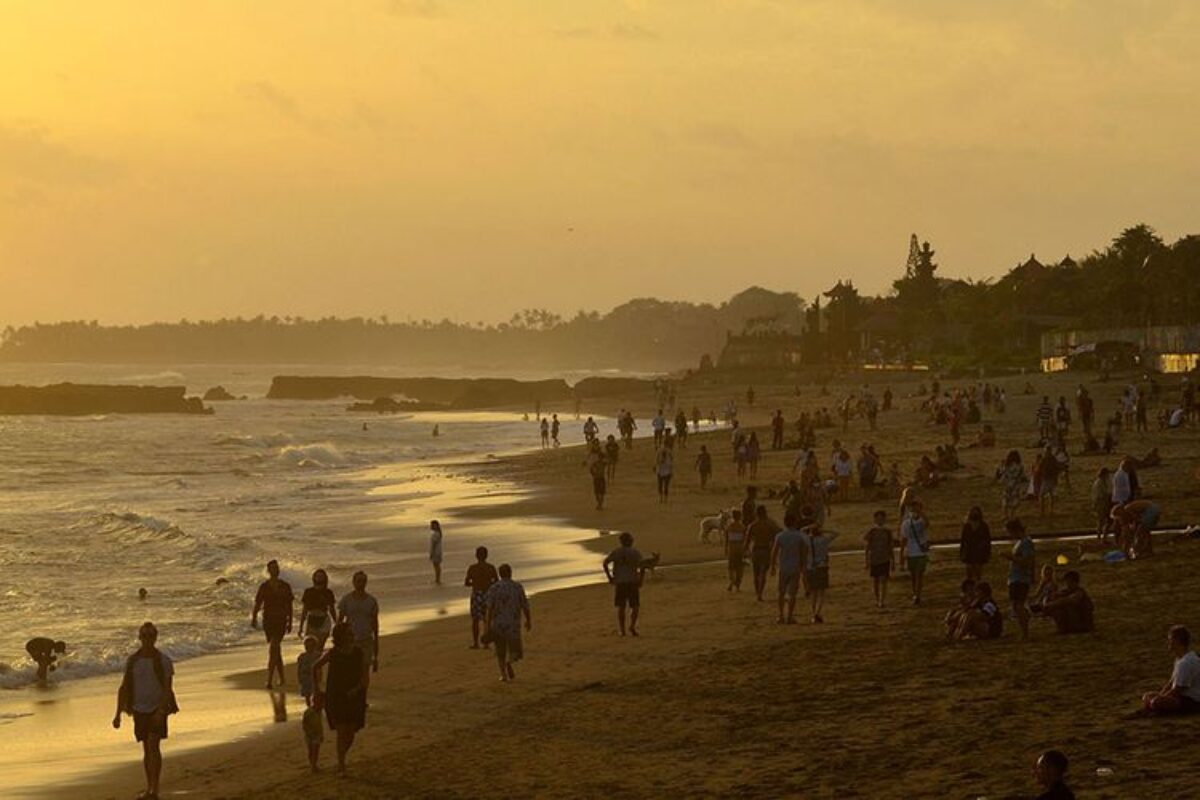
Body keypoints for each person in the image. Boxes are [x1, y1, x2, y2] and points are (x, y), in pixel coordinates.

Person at [112, 622, 176, 800]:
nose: (148, 639)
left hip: (157, 708)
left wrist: (161, 711)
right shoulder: (133, 661)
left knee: (153, 746)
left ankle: (155, 789)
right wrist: (117, 714)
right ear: (140, 638)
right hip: (139, 709)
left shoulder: (163, 661)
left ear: (155, 638)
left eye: (151, 636)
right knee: (147, 750)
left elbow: (167, 689)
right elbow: (124, 687)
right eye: (145, 636)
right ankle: (149, 788)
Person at [312, 622, 367, 775]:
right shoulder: (333, 653)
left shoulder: (358, 652)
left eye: (351, 633)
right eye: (348, 633)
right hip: (336, 696)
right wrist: (317, 689)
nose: (351, 636)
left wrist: (358, 690)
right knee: (342, 731)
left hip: (355, 696)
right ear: (340, 636)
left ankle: (341, 758)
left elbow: (364, 675)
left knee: (351, 733)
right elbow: (315, 667)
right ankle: (341, 764)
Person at [483, 563, 532, 682]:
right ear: (510, 573)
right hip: (513, 623)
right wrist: (528, 620)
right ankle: (509, 662)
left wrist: (487, 625)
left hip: (498, 624)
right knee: (515, 650)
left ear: (500, 574)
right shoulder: (517, 587)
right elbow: (525, 605)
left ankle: (503, 675)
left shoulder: (494, 588)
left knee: (500, 651)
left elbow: (489, 609)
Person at [252, 559, 294, 689]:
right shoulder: (264, 586)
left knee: (274, 646)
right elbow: (258, 603)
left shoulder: (285, 586)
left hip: (281, 619)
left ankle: (269, 678)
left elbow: (289, 605)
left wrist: (290, 621)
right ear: (268, 570)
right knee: (276, 649)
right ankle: (282, 678)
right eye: (273, 568)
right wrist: (254, 617)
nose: (275, 570)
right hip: (268, 620)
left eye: (277, 568)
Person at [1140, 625, 1200, 715]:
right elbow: (1171, 682)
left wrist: (1160, 698)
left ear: (1177, 641)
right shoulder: (1180, 659)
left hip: (1191, 700)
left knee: (1156, 702)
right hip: (1183, 697)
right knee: (1147, 697)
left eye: (1170, 639)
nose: (1169, 642)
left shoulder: (1186, 662)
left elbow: (1179, 688)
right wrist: (1161, 695)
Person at [337, 571, 380, 679]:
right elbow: (340, 621)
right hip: (350, 641)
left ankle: (363, 688)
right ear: (353, 582)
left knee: (365, 670)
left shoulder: (371, 601)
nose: (361, 583)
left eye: (363, 581)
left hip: (366, 640)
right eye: (358, 581)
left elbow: (375, 623)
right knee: (352, 669)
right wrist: (339, 640)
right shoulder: (346, 600)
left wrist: (376, 651)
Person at [603, 532, 644, 636]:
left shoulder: (616, 552)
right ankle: (632, 626)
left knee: (621, 607)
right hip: (632, 581)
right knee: (635, 606)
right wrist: (641, 579)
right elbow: (642, 566)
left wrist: (610, 577)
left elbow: (605, 563)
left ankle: (622, 630)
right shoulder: (635, 552)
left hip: (620, 582)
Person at [770, 513, 807, 624]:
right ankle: (790, 616)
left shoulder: (780, 536)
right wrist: (804, 568)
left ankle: (781, 615)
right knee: (792, 594)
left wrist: (773, 566)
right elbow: (803, 554)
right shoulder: (799, 536)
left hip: (783, 567)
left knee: (781, 593)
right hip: (795, 567)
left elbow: (774, 552)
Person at [1003, 518, 1036, 640]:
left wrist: (1010, 557)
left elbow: (1027, 561)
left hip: (1020, 578)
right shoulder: (1020, 542)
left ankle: (1025, 632)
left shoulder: (1026, 542)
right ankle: (1024, 628)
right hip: (1015, 577)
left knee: (1018, 605)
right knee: (1015, 605)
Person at [801, 520, 838, 623]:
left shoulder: (807, 540)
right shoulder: (823, 540)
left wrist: (808, 527)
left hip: (811, 567)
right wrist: (824, 530)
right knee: (821, 592)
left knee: (813, 592)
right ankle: (818, 612)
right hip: (822, 566)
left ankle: (813, 613)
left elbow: (801, 531)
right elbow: (836, 533)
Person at [465, 546, 500, 649]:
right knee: (487, 619)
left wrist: (475, 583)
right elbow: (496, 581)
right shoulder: (491, 567)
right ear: (486, 555)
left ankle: (476, 643)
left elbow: (467, 582)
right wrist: (488, 583)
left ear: (476, 556)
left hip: (477, 594)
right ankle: (486, 643)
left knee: (475, 619)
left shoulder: (472, 568)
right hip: (488, 593)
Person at [899, 500, 931, 605]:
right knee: (913, 576)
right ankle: (915, 593)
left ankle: (917, 595)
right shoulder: (906, 523)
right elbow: (903, 540)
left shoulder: (921, 521)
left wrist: (920, 512)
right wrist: (902, 556)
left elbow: (927, 523)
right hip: (911, 552)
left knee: (919, 575)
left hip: (921, 552)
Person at [747, 504, 781, 602]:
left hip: (756, 550)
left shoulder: (752, 525)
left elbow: (747, 540)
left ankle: (757, 591)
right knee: (763, 573)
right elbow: (777, 533)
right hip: (766, 550)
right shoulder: (770, 524)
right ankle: (760, 593)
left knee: (756, 573)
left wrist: (745, 550)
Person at [298, 568, 337, 649]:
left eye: (321, 576)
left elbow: (332, 609)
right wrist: (301, 626)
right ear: (314, 578)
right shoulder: (308, 592)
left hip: (324, 620)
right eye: (317, 576)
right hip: (311, 619)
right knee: (310, 646)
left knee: (320, 646)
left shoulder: (328, 592)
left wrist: (336, 623)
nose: (319, 578)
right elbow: (305, 610)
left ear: (325, 578)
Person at [863, 510, 895, 609]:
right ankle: (878, 599)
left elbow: (890, 546)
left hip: (884, 558)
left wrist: (893, 560)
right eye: (878, 518)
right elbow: (867, 547)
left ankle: (882, 600)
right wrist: (866, 560)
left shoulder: (887, 532)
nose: (880, 520)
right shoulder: (872, 531)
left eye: (882, 518)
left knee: (883, 580)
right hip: (875, 559)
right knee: (876, 581)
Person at [958, 506, 991, 582]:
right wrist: (962, 553)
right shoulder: (967, 526)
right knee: (969, 572)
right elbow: (963, 540)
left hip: (979, 552)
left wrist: (987, 553)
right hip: (969, 552)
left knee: (978, 573)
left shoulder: (984, 526)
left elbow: (987, 541)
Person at [996, 450, 1027, 520]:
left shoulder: (1007, 465)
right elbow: (1022, 476)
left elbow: (1003, 474)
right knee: (1012, 501)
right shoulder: (1019, 466)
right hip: (1014, 485)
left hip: (1009, 485)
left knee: (1006, 500)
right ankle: (1010, 515)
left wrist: (1001, 480)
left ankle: (1006, 515)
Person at [723, 509, 746, 592]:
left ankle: (731, 582)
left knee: (731, 568)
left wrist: (725, 548)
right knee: (739, 567)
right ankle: (737, 585)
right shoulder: (742, 527)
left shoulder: (729, 527)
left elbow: (726, 539)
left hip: (731, 548)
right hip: (740, 548)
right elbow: (744, 539)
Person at [302, 692, 325, 773]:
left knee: (315, 750)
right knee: (311, 750)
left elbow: (319, 724)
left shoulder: (319, 711)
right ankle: (312, 764)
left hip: (317, 733)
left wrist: (321, 734)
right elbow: (305, 723)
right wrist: (307, 731)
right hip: (309, 734)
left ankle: (314, 765)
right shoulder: (309, 712)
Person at [297, 635, 321, 706]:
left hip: (314, 677)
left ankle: (315, 705)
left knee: (315, 692)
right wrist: (299, 677)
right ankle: (308, 705)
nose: (308, 648)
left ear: (315, 646)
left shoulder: (317, 655)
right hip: (305, 676)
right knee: (306, 693)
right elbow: (299, 668)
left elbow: (319, 668)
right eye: (307, 646)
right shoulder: (302, 656)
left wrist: (320, 676)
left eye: (311, 646)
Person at [429, 520, 444, 584]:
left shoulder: (436, 534)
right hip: (438, 551)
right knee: (437, 566)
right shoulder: (438, 533)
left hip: (436, 552)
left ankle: (437, 579)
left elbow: (433, 545)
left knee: (436, 566)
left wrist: (431, 553)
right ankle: (437, 579)